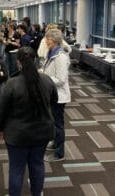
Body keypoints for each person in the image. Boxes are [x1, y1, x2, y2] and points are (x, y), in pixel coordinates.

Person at [0, 47, 58, 196]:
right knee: (37, 165)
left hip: (17, 135)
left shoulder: (12, 83)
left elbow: (2, 110)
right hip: (42, 132)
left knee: (16, 169)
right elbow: (54, 101)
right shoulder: (47, 80)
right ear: (35, 60)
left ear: (18, 63)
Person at [43, 29, 71, 162]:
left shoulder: (61, 56)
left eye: (48, 39)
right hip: (52, 94)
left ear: (55, 40)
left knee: (58, 124)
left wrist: (43, 78)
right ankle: (55, 142)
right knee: (53, 122)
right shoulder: (51, 52)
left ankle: (59, 153)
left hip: (59, 96)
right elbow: (48, 69)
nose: (45, 41)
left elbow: (60, 79)